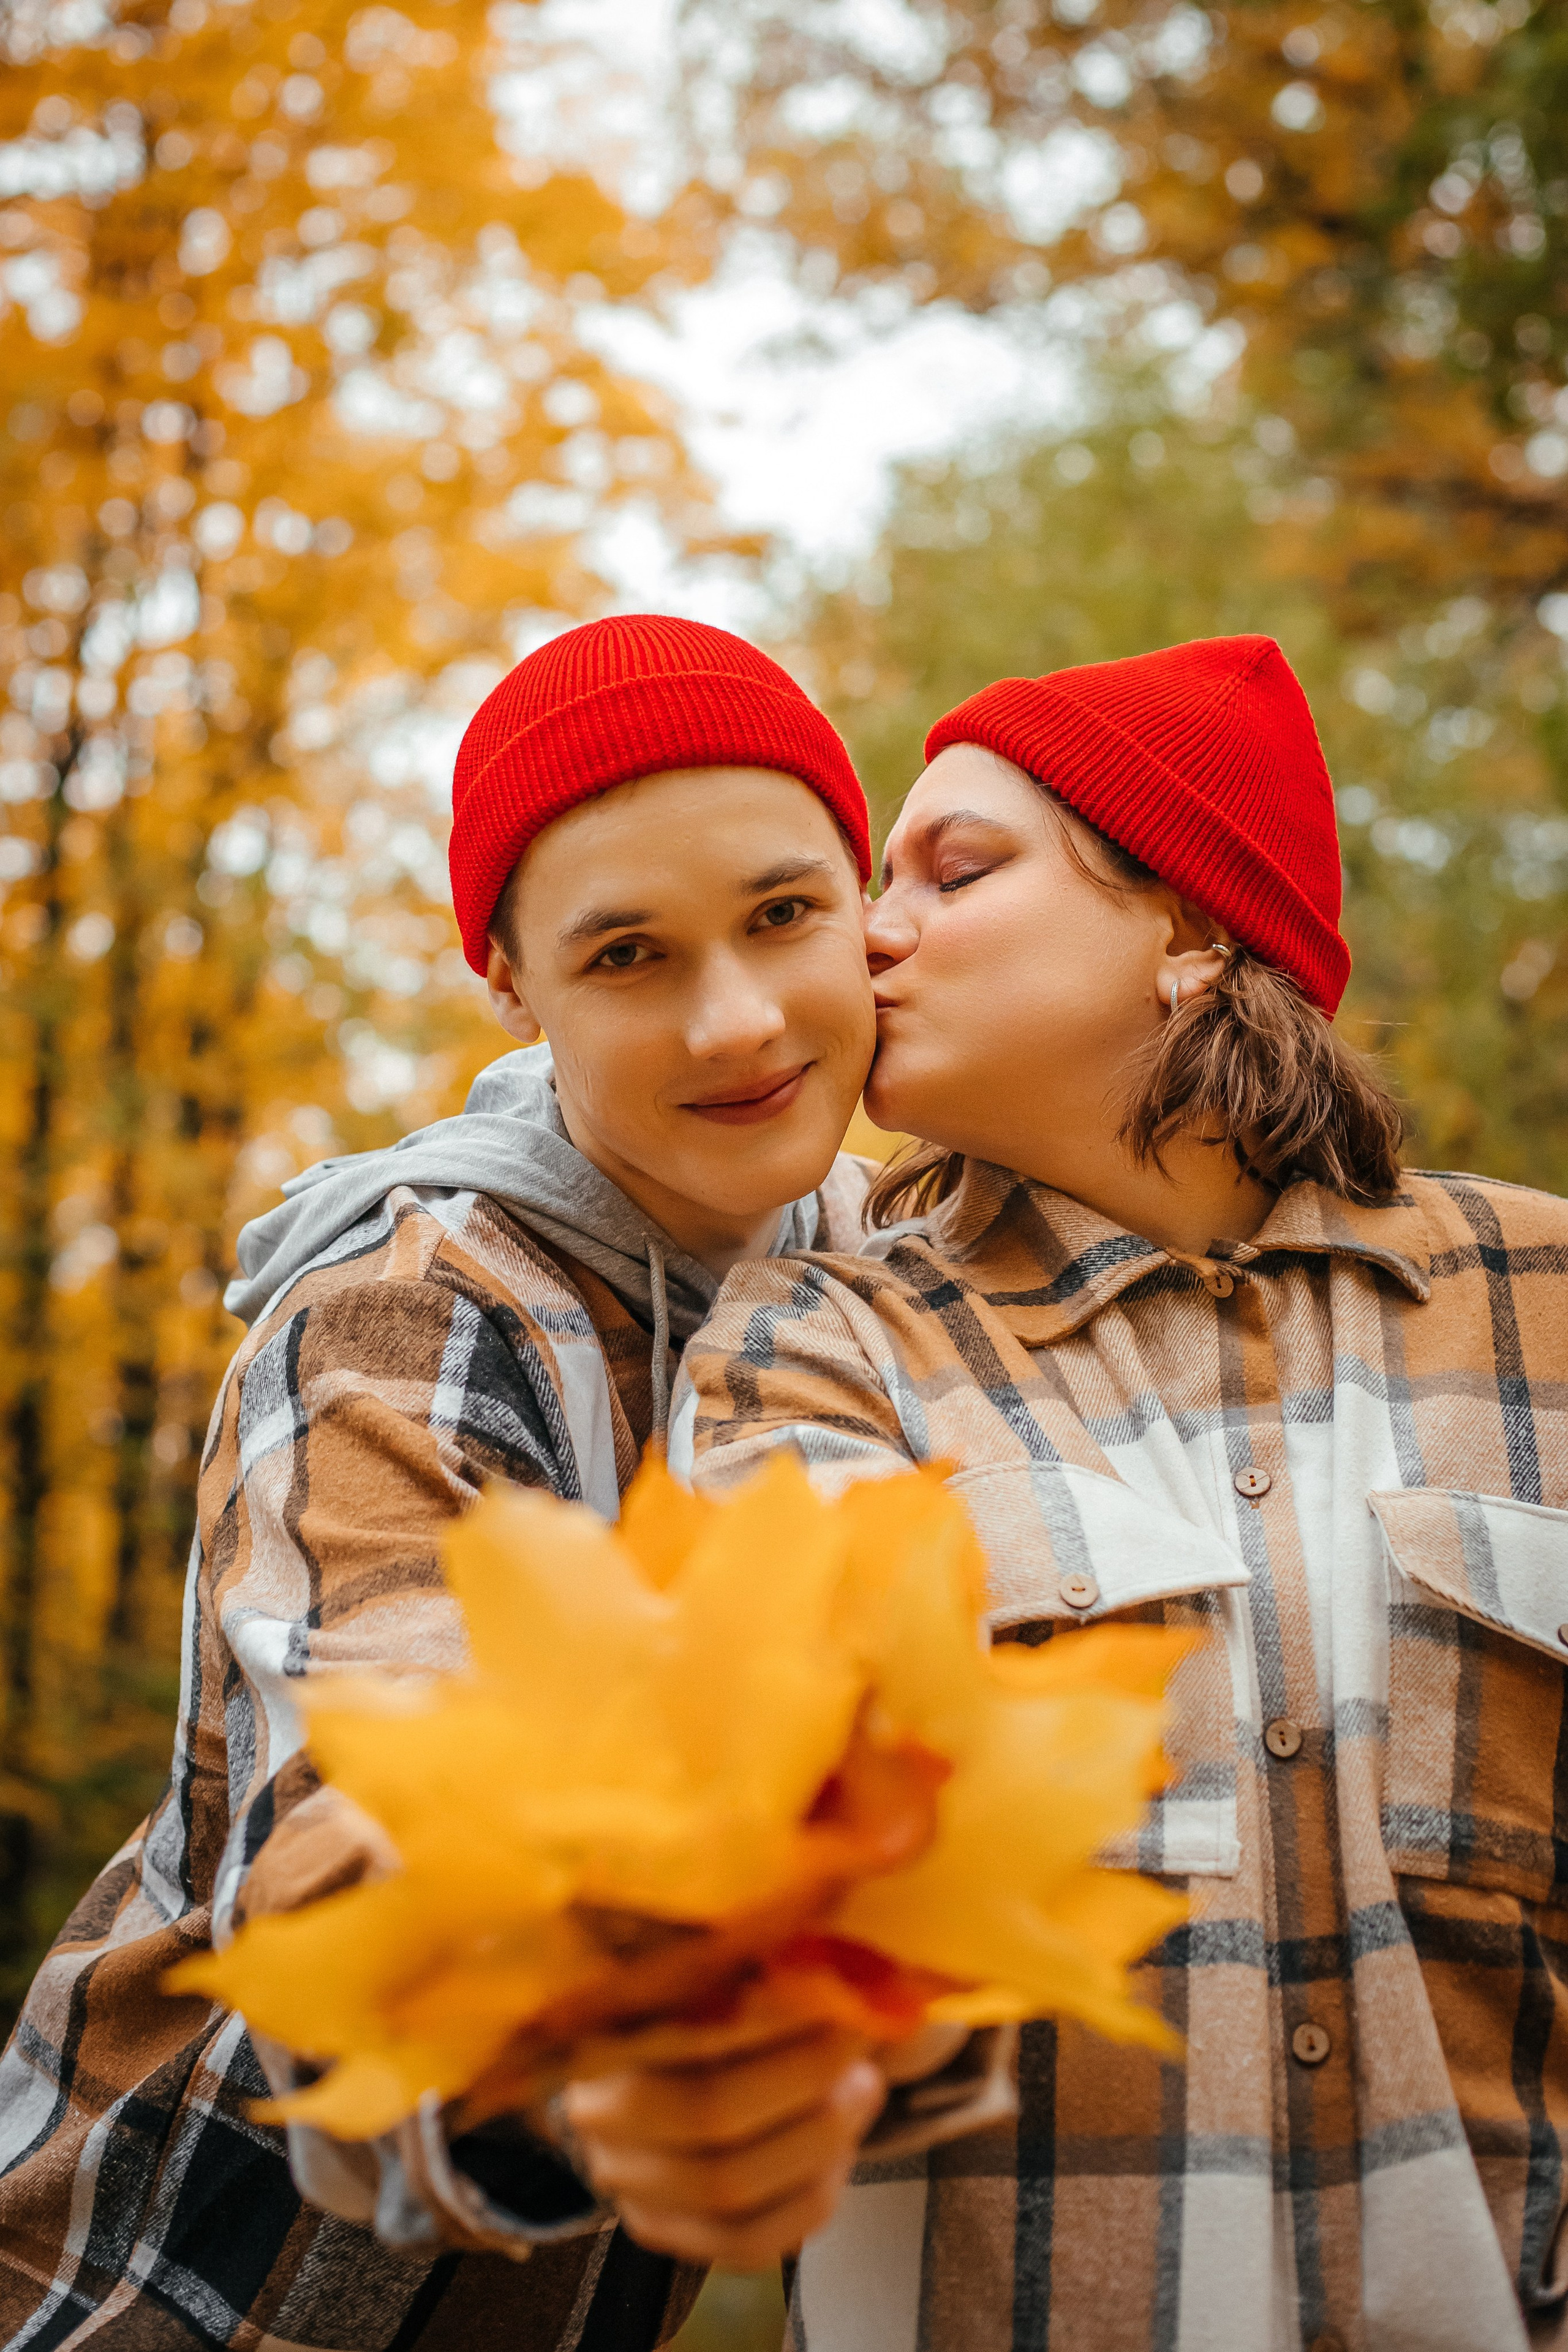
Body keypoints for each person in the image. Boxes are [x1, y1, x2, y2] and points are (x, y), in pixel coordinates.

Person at [0, 616, 1003, 2352]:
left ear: (865, 906)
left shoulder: (891, 1283)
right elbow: (365, 1780)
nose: (737, 1020)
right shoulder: (405, 1315)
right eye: (627, 954)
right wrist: (553, 2039)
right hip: (170, 2288)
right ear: (514, 989)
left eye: (782, 914)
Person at [673, 634, 1568, 2352]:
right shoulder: (817, 1348)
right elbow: (765, 1873)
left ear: (1192, 930)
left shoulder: (1543, 1302)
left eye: (955, 872)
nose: (868, 935)